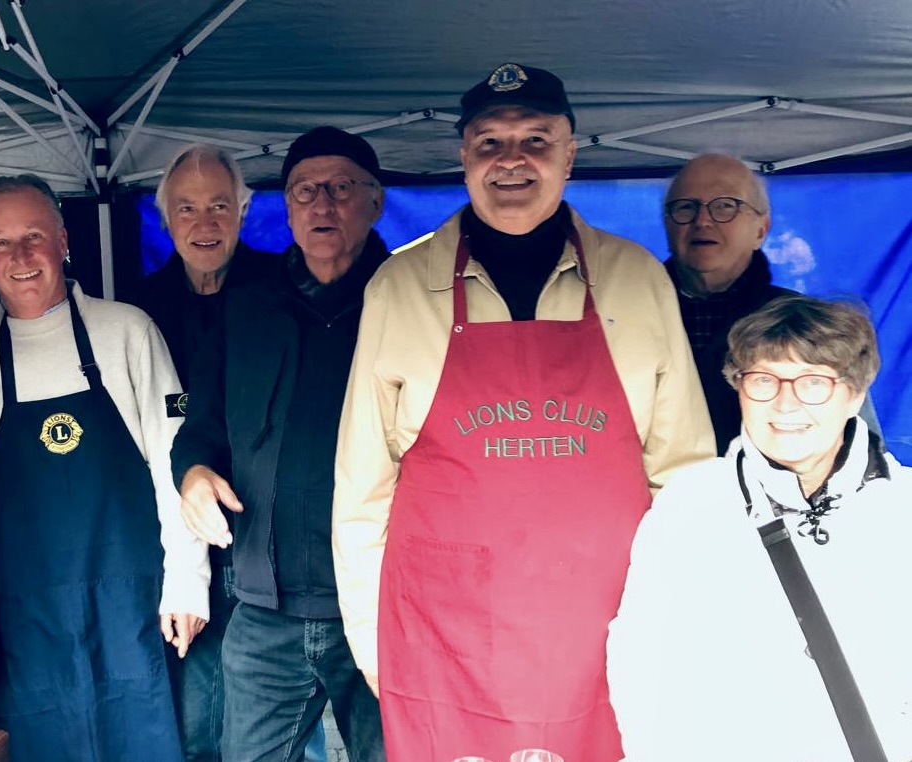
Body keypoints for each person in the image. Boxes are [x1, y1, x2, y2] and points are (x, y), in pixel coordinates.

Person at [332, 63, 714, 761]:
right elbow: (361, 490)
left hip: (605, 633)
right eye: (489, 143)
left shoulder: (637, 279)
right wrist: (372, 641)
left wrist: (683, 622)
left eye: (535, 139)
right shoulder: (398, 286)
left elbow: (684, 478)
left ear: (570, 153)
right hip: (444, 640)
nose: (512, 160)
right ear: (462, 158)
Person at [0, 175, 208, 762]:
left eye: (34, 236)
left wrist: (189, 582)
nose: (21, 256)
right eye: (1, 243)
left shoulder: (127, 331)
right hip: (22, 617)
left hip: (134, 606)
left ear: (63, 241)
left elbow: (175, 469)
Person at [607, 295, 912, 761]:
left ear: (854, 393)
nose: (786, 403)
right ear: (738, 388)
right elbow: (643, 662)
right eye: (764, 380)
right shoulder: (690, 507)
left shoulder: (903, 506)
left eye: (814, 382)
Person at [172, 126, 388, 762]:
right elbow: (201, 425)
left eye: (341, 188)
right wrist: (194, 474)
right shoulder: (246, 307)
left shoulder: (410, 298)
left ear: (375, 200)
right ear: (286, 207)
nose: (322, 204)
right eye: (305, 191)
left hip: (375, 610)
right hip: (263, 608)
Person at [129, 143, 281, 762]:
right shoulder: (136, 310)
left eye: (221, 205)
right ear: (165, 220)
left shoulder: (282, 289)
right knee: (195, 716)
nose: (206, 222)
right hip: (176, 531)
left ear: (244, 212)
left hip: (267, 531)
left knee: (281, 716)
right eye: (187, 208)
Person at [663, 152, 880, 454]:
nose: (702, 220)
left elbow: (861, 440)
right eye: (685, 207)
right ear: (666, 224)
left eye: (725, 206)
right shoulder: (622, 315)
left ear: (761, 230)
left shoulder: (804, 322)